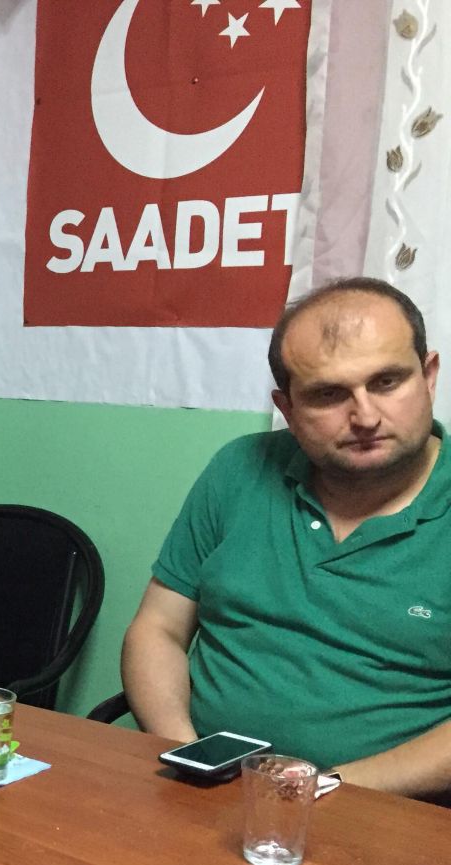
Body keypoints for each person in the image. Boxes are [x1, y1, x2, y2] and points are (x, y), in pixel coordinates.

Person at [122, 277, 451, 800]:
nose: (365, 416)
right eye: (328, 394)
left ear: (429, 376)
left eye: (387, 382)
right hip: (207, 790)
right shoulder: (238, 468)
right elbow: (157, 629)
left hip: (386, 811)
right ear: (288, 407)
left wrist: (314, 792)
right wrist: (189, 754)